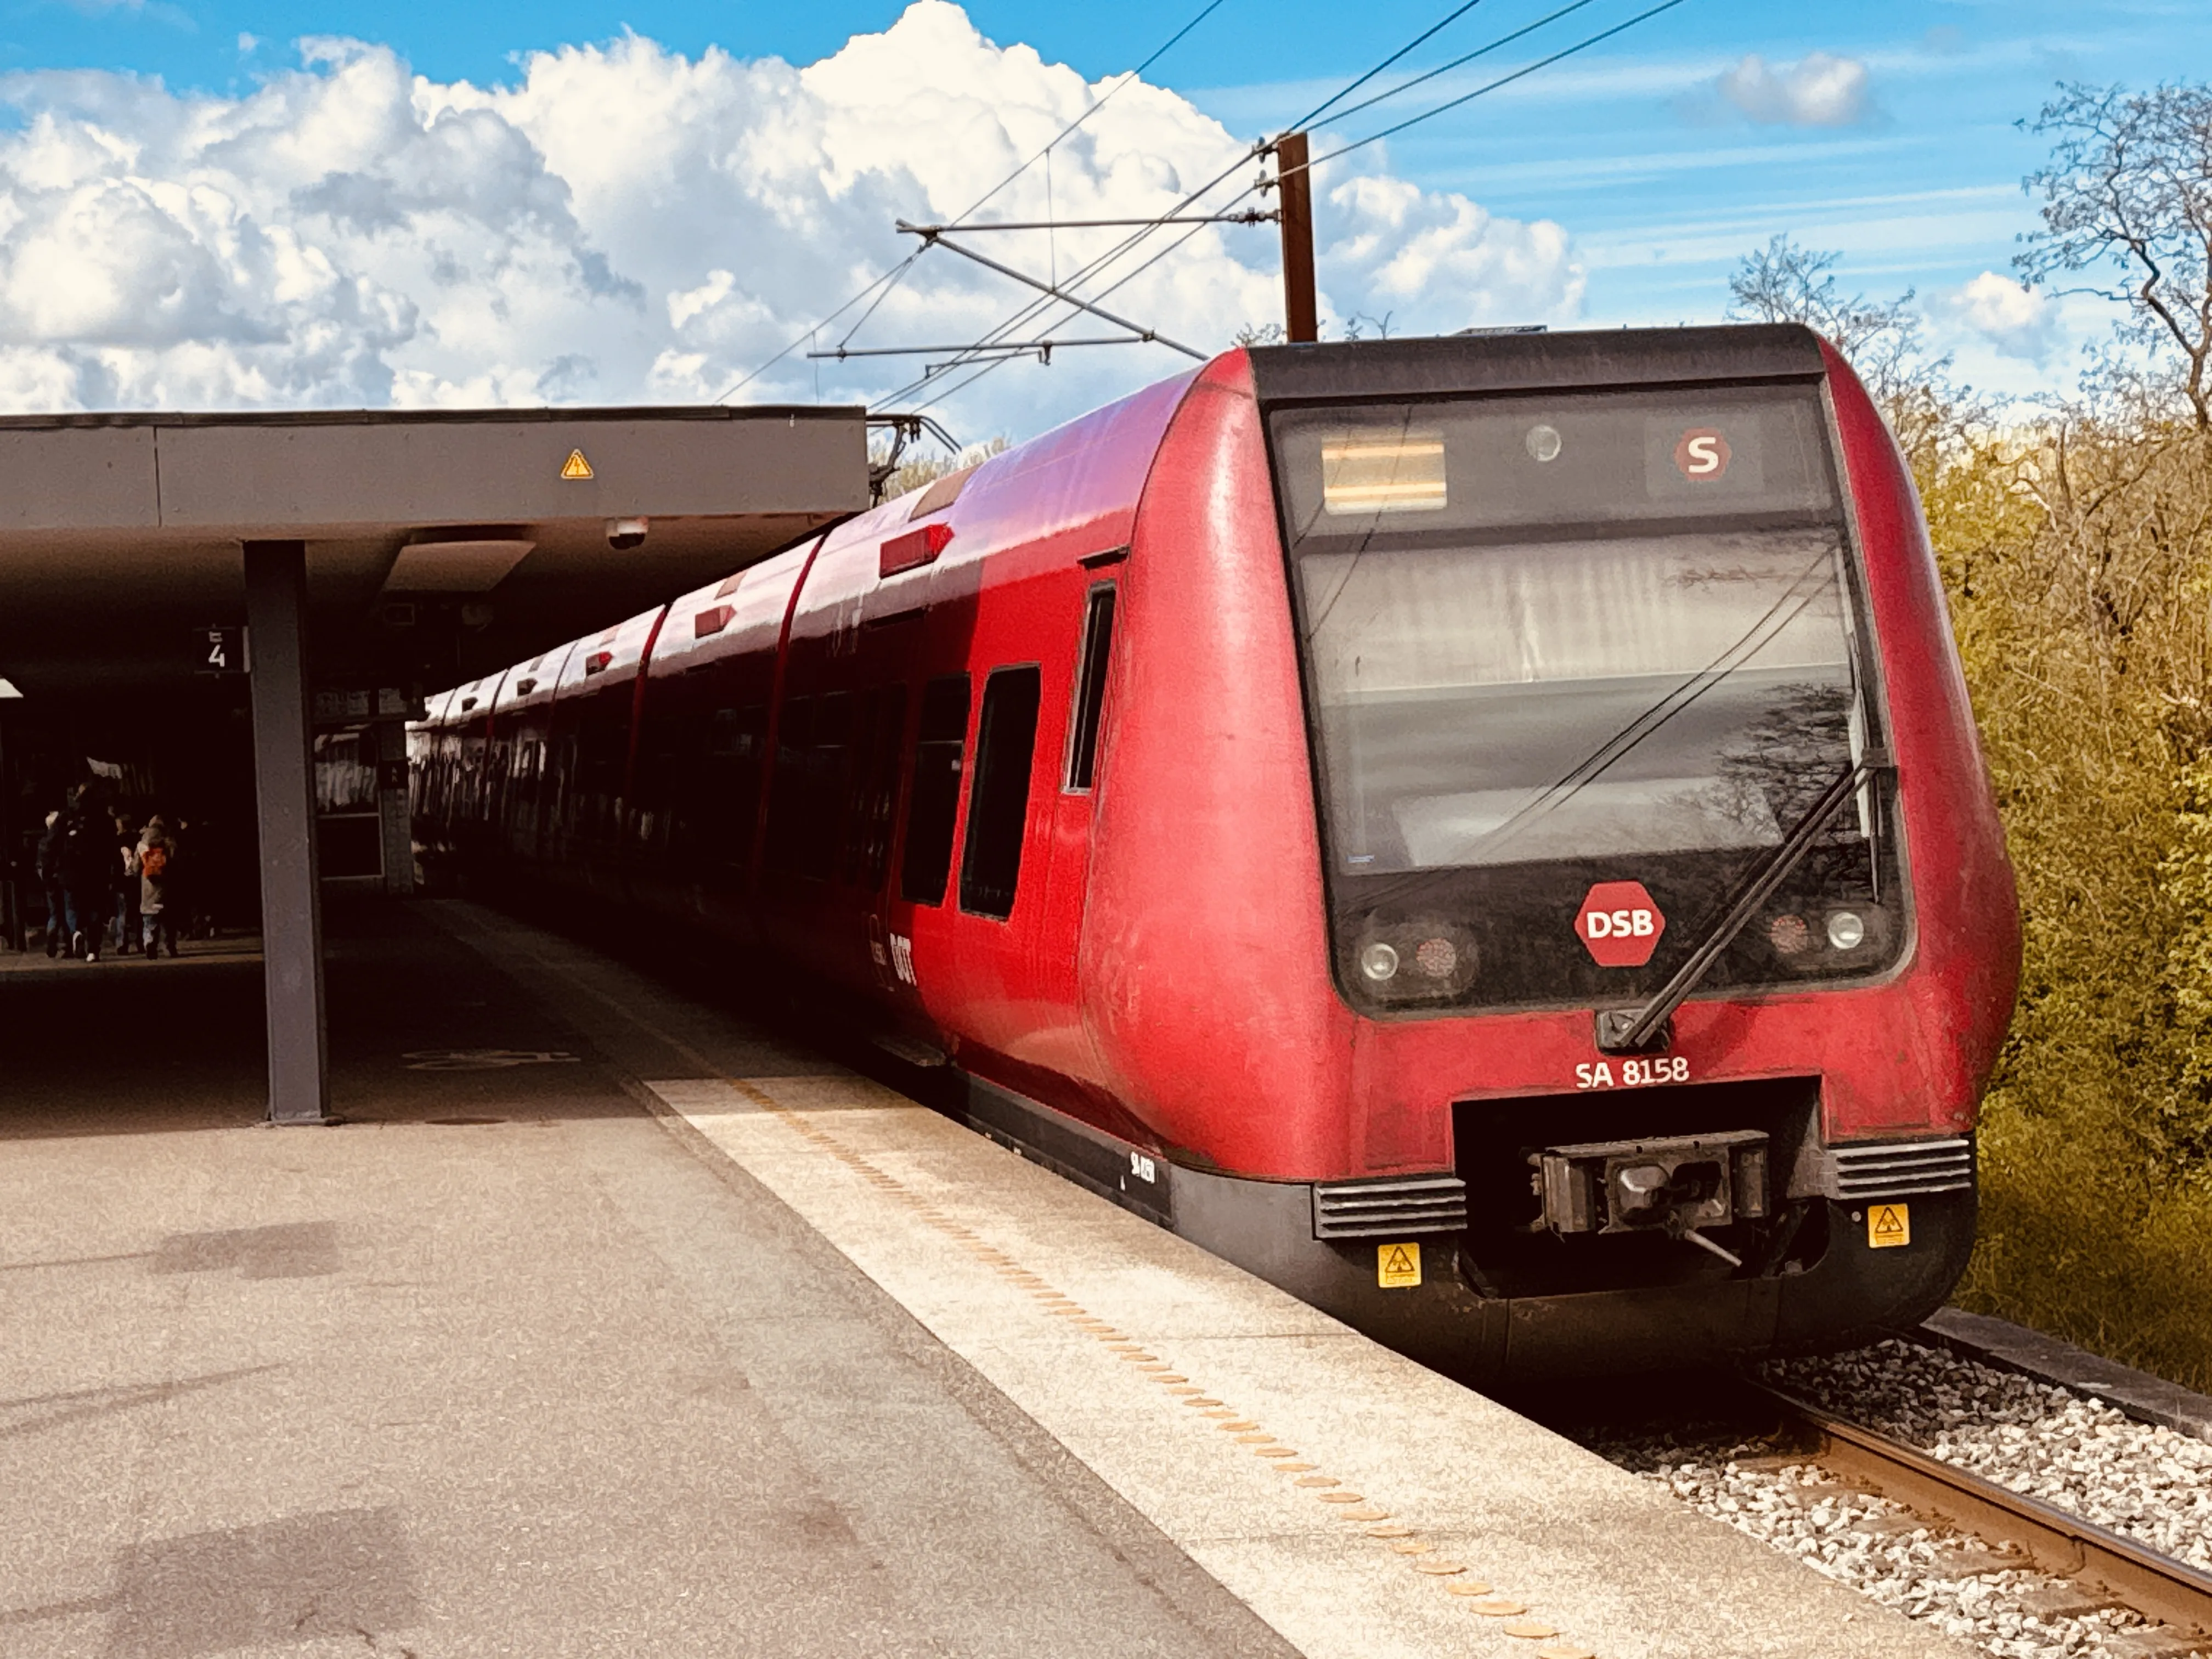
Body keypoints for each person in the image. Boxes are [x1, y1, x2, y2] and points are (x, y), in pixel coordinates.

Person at [53, 787, 111, 961]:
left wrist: (52, 869)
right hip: (96, 872)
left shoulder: (66, 817)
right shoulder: (104, 819)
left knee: (72, 908)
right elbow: (111, 848)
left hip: (70, 872)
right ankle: (93, 949)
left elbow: (52, 843)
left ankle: (76, 931)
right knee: (95, 910)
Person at [139, 815, 179, 960]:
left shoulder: (143, 843)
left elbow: (136, 865)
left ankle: (150, 941)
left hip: (148, 885)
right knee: (168, 920)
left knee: (150, 919)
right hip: (166, 884)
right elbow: (177, 860)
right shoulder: (169, 841)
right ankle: (169, 948)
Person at [33, 810, 64, 957]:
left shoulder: (43, 842)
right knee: (68, 910)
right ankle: (68, 942)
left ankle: (52, 935)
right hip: (62, 877)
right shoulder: (62, 840)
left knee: (54, 913)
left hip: (49, 880)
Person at [111, 812, 141, 956]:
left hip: (121, 881)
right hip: (136, 880)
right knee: (138, 913)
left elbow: (113, 862)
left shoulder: (116, 841)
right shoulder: (138, 839)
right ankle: (141, 942)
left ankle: (122, 943)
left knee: (122, 913)